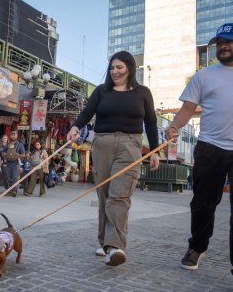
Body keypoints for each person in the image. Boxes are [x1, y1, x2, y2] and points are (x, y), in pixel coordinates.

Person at [67, 50, 160, 267]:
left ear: (129, 68)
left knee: (119, 196)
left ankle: (115, 246)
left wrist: (155, 150)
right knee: (105, 196)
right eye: (112, 68)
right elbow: (87, 112)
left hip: (130, 145)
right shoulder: (101, 91)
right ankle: (105, 242)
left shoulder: (143, 93)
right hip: (102, 144)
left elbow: (152, 123)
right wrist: (75, 127)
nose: (115, 71)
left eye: (119, 67)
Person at [164, 23, 233, 272]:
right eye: (220, 43)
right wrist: (173, 127)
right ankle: (198, 247)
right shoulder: (204, 75)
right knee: (203, 202)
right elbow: (187, 108)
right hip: (209, 147)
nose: (224, 46)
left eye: (229, 41)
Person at [1, 130, 26, 197]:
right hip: (8, 163)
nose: (13, 136)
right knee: (8, 178)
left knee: (15, 178)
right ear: (10, 136)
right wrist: (5, 155)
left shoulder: (20, 145)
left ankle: (14, 191)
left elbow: (23, 155)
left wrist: (17, 155)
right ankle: (9, 191)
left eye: (14, 135)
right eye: (12, 135)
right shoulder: (8, 144)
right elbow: (2, 152)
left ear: (17, 135)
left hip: (16, 164)